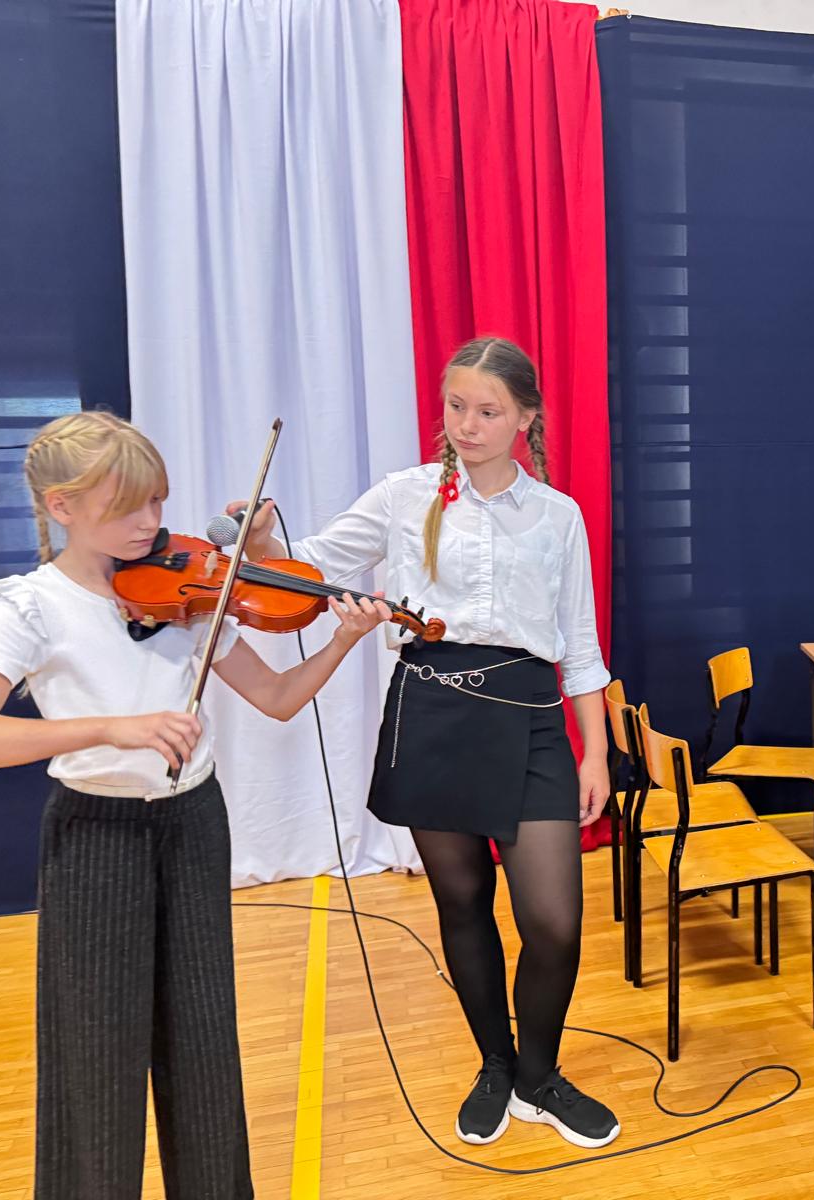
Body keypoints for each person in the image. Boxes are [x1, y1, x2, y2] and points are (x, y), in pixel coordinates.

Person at [0, 410, 390, 1199]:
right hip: (95, 836)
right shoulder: (30, 607)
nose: (151, 523)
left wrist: (344, 639)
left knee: (204, 1041)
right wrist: (111, 727)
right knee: (96, 1057)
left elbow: (279, 697)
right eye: (126, 507)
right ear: (61, 507)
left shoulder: (185, 590)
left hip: (192, 823)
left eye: (157, 500)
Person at [238, 336, 618, 1148]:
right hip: (431, 715)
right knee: (463, 905)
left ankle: (540, 1078)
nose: (467, 425)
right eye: (456, 407)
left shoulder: (558, 515)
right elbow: (307, 566)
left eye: (488, 411)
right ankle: (497, 1065)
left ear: (525, 419)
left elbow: (581, 647)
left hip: (531, 720)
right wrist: (265, 542)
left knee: (553, 922)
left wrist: (594, 752)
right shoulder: (402, 496)